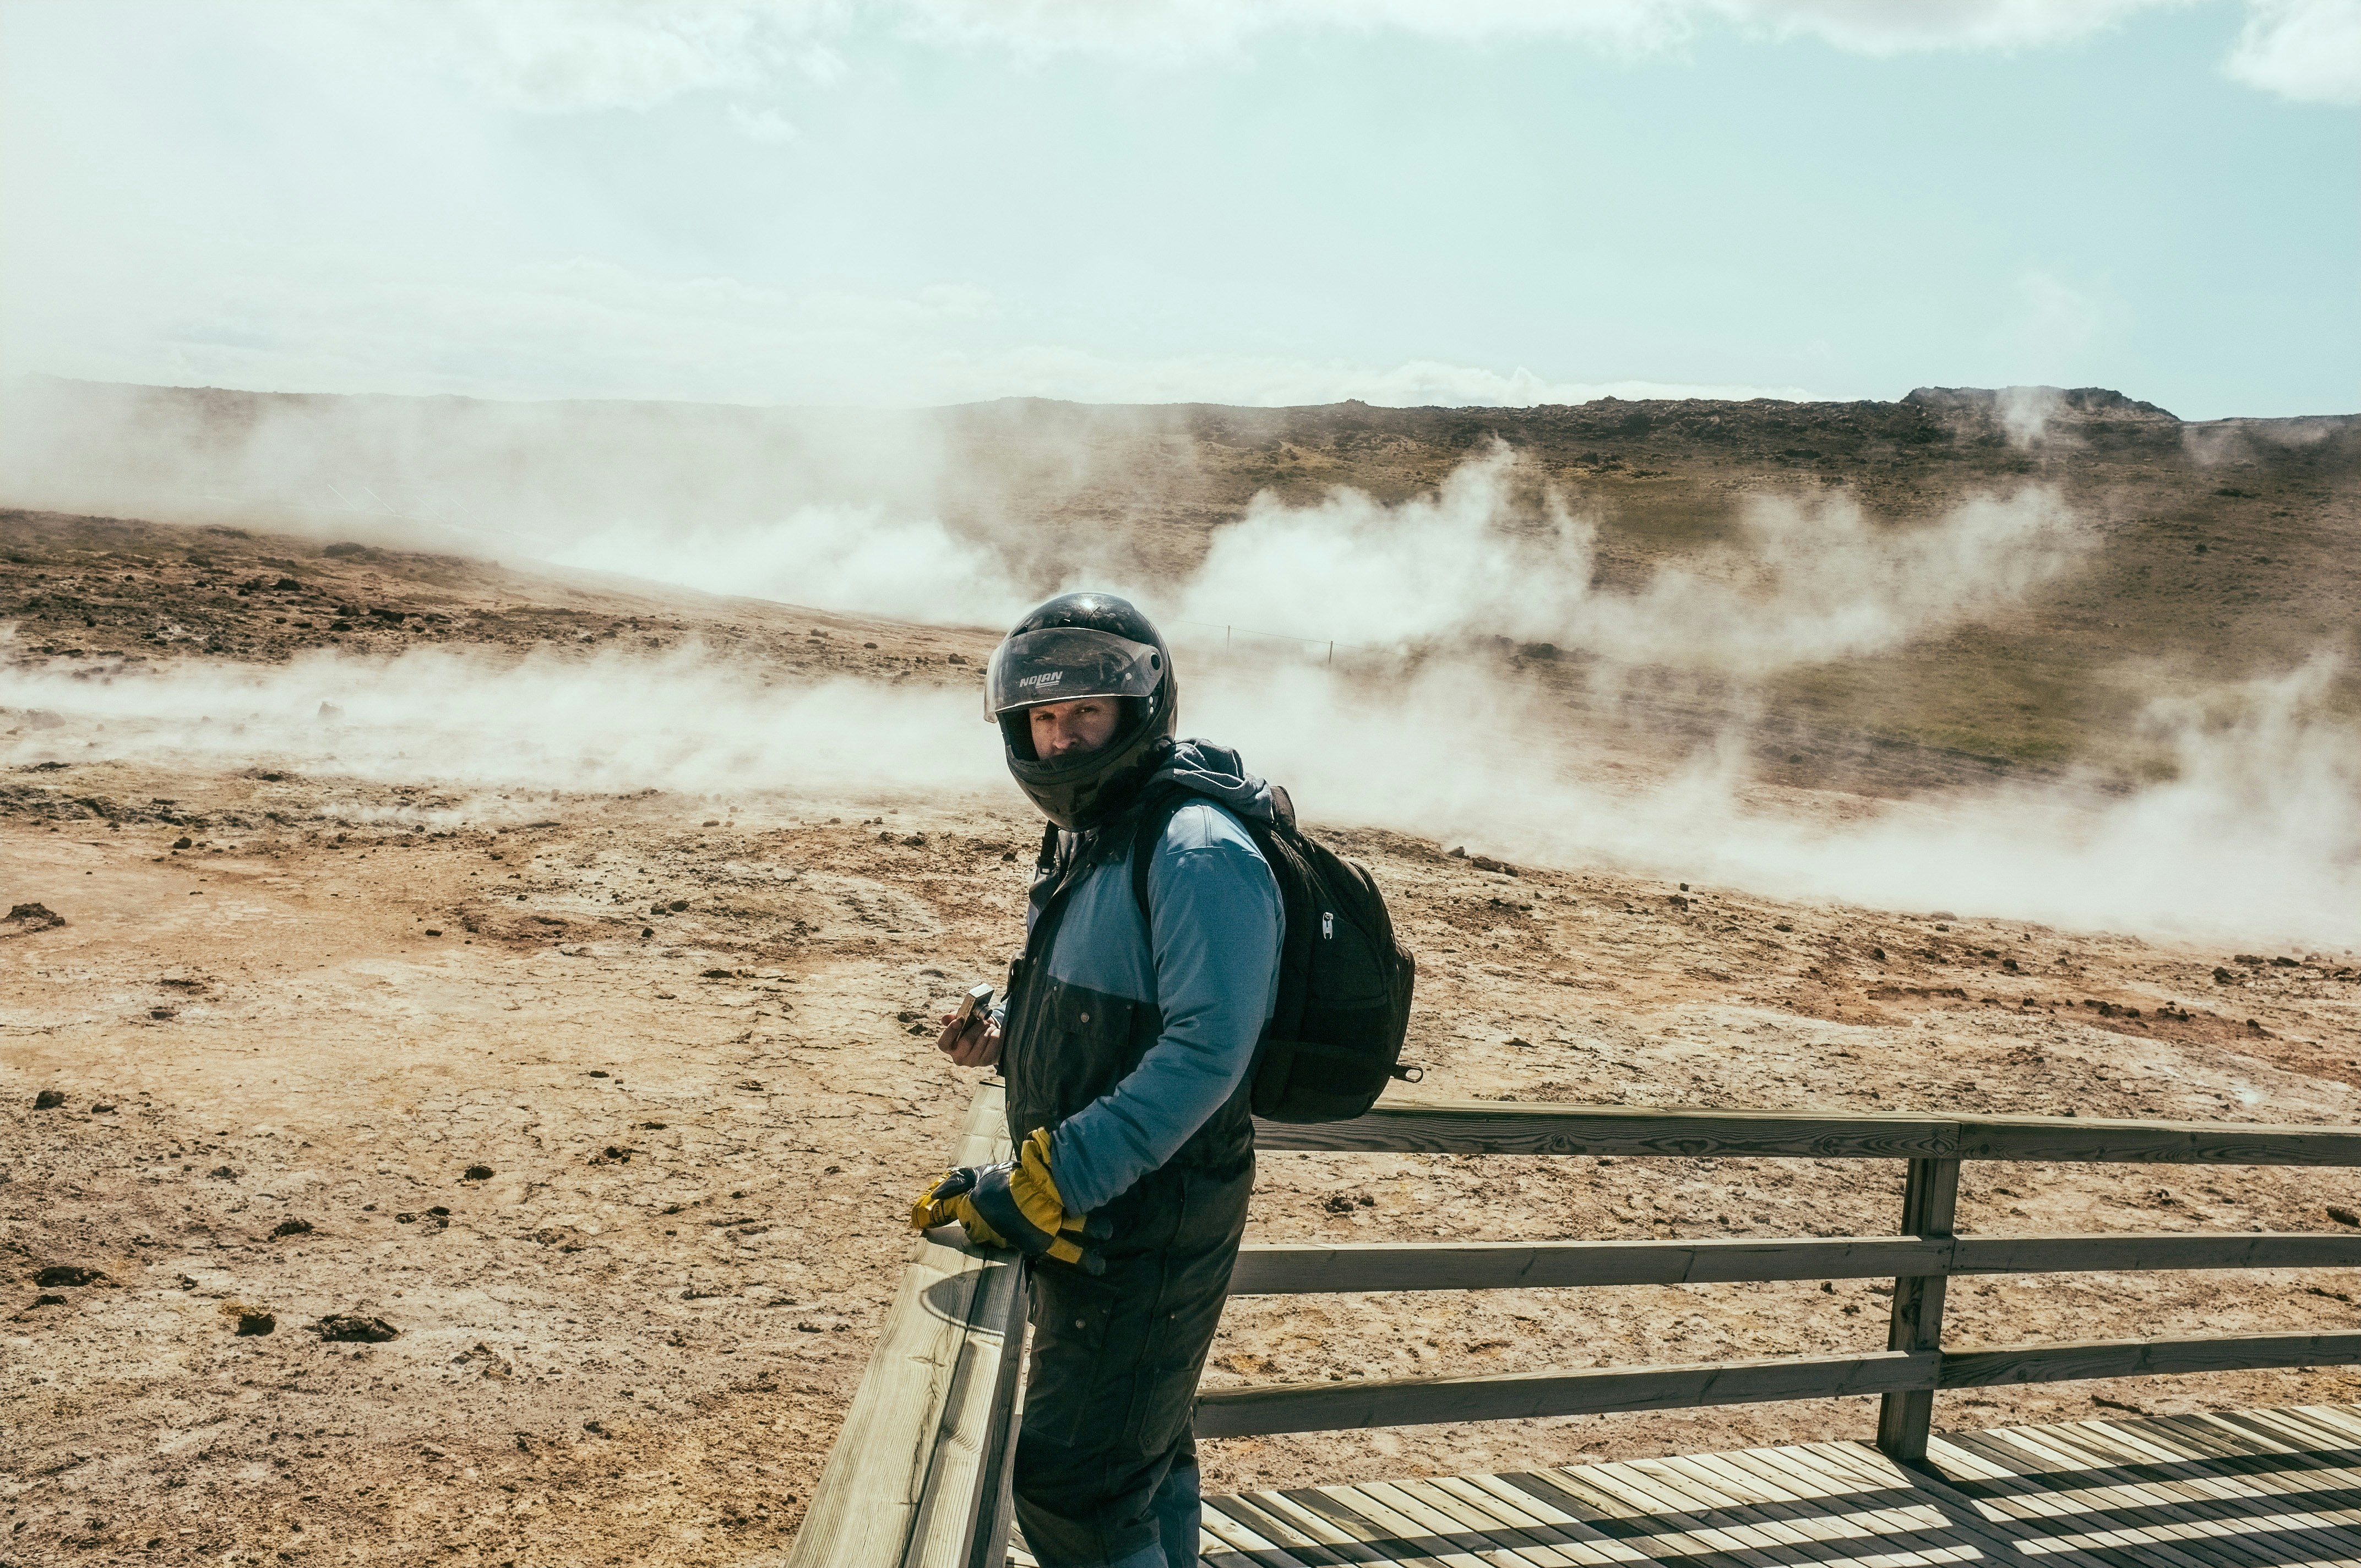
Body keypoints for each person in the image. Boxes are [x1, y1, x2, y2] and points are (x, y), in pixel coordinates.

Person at [910, 591, 1282, 1568]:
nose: (1063, 740)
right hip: (1101, 1214)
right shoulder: (1093, 833)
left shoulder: (1196, 848)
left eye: (1087, 715)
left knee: (1077, 1490)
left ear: (1137, 713)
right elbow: (1111, 1004)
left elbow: (1208, 1049)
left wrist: (1055, 1177)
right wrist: (1006, 1036)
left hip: (1148, 1220)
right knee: (1142, 1453)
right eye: (1043, 718)